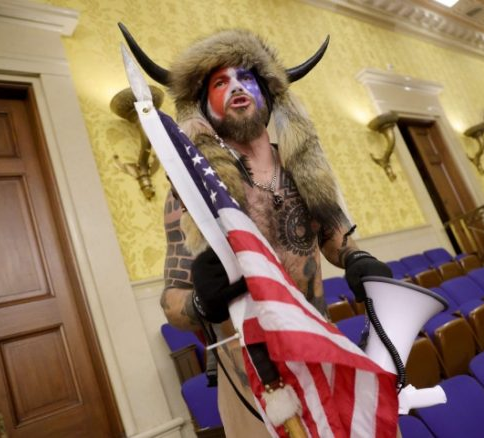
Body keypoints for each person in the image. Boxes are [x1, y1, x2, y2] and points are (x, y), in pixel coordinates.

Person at [120, 25, 393, 437]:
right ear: (203, 106)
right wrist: (201, 302)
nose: (236, 86)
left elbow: (336, 238)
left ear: (267, 93)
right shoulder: (193, 193)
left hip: (320, 353)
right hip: (252, 385)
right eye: (220, 82)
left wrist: (358, 258)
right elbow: (171, 302)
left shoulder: (305, 170)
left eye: (246, 76)